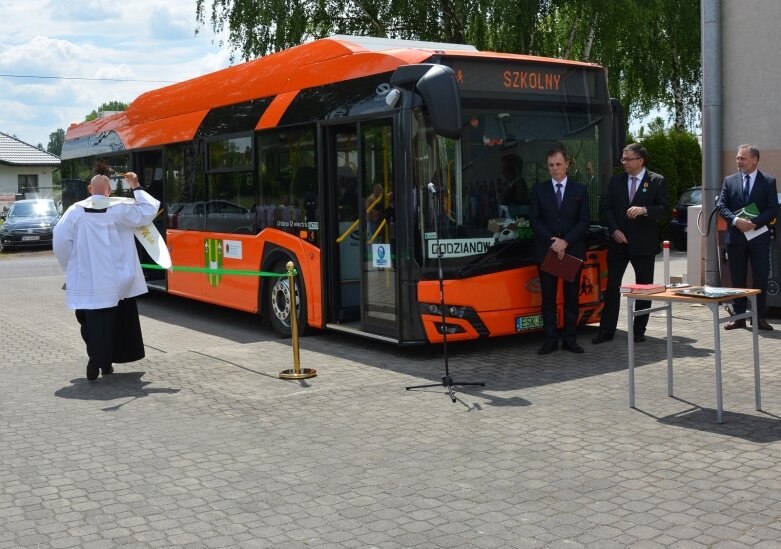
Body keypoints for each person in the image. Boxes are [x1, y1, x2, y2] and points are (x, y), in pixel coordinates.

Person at [53, 170, 160, 381]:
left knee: (91, 322)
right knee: (114, 321)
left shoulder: (74, 211)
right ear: (109, 191)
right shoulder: (119, 209)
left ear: (90, 190)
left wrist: (71, 268)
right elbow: (148, 211)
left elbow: (60, 241)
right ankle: (105, 363)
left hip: (87, 280)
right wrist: (136, 186)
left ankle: (96, 358)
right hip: (116, 281)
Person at [592, 143, 668, 344]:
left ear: (640, 160)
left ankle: (638, 331)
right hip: (618, 242)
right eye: (623, 159)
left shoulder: (656, 181)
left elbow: (663, 209)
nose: (624, 162)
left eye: (628, 159)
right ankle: (606, 331)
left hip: (644, 244)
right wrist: (614, 230)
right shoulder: (616, 181)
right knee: (612, 287)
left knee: (643, 288)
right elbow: (607, 208)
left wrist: (644, 210)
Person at [529, 147, 590, 355]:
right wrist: (553, 243)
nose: (555, 169)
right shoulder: (539, 190)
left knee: (571, 298)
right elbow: (534, 220)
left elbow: (584, 221)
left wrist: (565, 242)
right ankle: (550, 340)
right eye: (551, 165)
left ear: (567, 165)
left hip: (571, 251)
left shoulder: (580, 190)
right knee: (548, 299)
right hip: (547, 251)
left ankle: (570, 340)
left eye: (558, 164)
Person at [716, 144, 778, 331]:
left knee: (760, 277)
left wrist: (754, 223)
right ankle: (739, 317)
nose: (738, 161)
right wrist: (736, 221)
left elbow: (772, 208)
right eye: (737, 158)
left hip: (758, 236)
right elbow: (721, 205)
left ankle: (758, 317)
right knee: (737, 278)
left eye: (742, 158)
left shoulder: (768, 181)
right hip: (736, 237)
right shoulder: (729, 180)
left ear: (754, 160)